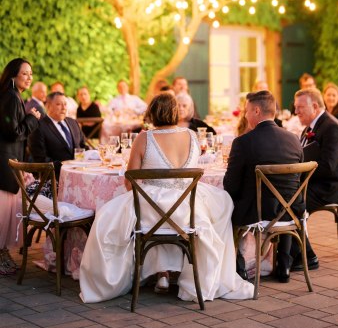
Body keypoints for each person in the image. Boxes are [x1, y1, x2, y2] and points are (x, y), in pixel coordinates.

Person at [79, 93, 254, 303]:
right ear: (174, 112)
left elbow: (130, 181)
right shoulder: (191, 135)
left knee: (109, 216)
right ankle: (175, 273)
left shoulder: (145, 137)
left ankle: (160, 274)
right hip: (189, 211)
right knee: (220, 204)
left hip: (152, 209)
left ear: (151, 114)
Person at [223, 90, 304, 284]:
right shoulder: (294, 139)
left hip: (258, 213)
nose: (245, 115)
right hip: (292, 211)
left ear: (257, 111)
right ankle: (283, 264)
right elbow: (296, 180)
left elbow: (230, 186)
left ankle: (238, 266)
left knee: (223, 204)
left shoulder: (243, 142)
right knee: (284, 198)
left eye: (246, 111)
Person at [292, 88, 338, 271]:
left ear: (314, 106)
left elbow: (328, 167)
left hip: (328, 187)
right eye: (295, 107)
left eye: (300, 107)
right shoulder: (312, 126)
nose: (296, 112)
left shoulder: (332, 128)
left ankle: (307, 256)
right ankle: (290, 253)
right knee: (283, 197)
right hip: (313, 182)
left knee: (290, 203)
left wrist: (297, 174)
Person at [0, 58, 41, 275]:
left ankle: (3, 252)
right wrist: (32, 119)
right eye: (25, 73)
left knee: (7, 211)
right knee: (3, 213)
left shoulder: (13, 96)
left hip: (9, 162)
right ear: (13, 75)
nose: (29, 77)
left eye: (31, 74)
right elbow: (12, 132)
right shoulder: (10, 97)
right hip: (5, 162)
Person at [29, 91, 86, 180]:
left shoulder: (73, 122)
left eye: (65, 104)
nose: (64, 108)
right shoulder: (38, 127)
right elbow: (40, 159)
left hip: (81, 174)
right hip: (55, 179)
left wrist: (95, 154)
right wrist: (65, 166)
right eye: (59, 104)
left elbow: (83, 146)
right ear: (47, 106)